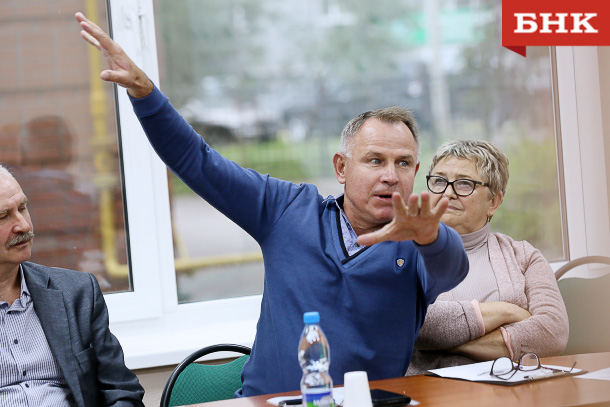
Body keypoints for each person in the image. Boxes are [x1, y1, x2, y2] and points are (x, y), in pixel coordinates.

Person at [74, 12, 469, 397]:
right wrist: (146, 94)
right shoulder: (288, 210)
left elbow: (453, 268)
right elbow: (199, 163)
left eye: (403, 163)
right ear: (341, 167)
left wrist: (430, 237)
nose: (390, 175)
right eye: (375, 160)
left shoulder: (421, 242)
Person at [406, 140, 569, 375]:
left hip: (512, 389)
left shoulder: (524, 256)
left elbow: (553, 333)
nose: (448, 193)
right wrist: (505, 311)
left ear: (493, 202)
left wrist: (447, 343)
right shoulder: (402, 253)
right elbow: (413, 322)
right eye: (439, 181)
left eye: (464, 183)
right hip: (429, 390)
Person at [0, 165, 144, 406]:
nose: (23, 226)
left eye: (23, 208)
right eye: (3, 216)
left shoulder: (76, 293)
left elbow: (122, 391)